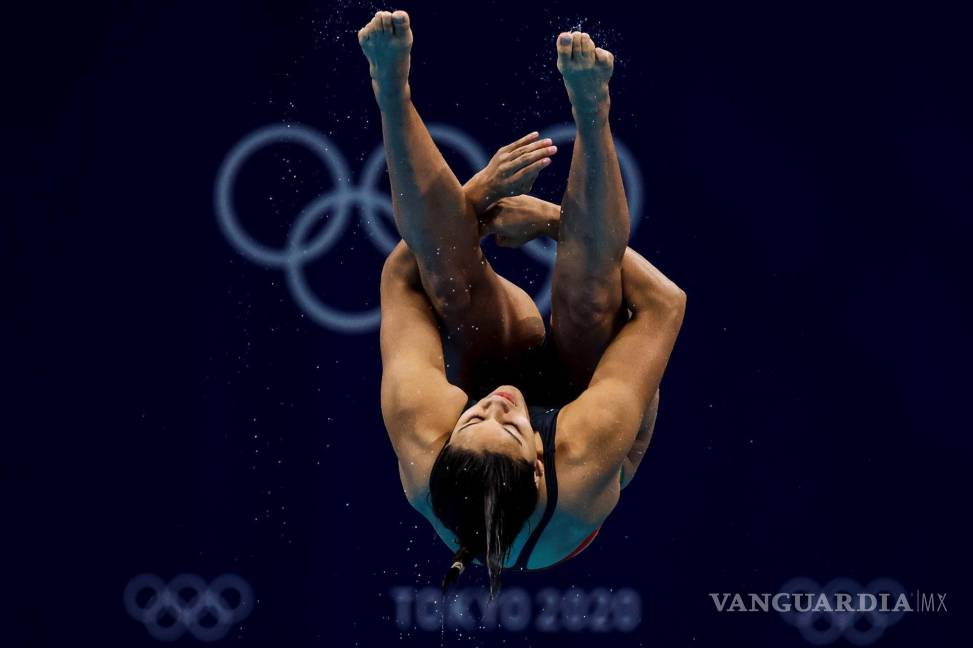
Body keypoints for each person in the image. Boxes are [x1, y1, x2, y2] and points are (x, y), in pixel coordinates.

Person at [359, 10, 686, 596]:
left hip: (488, 384)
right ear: (539, 458)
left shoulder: (422, 435)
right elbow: (663, 303)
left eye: (474, 415)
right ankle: (594, 113)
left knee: (443, 274)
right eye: (508, 424)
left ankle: (390, 93)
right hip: (584, 407)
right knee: (591, 300)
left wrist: (475, 198)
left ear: (448, 437)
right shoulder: (583, 452)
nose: (501, 404)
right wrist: (556, 223)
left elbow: (399, 274)